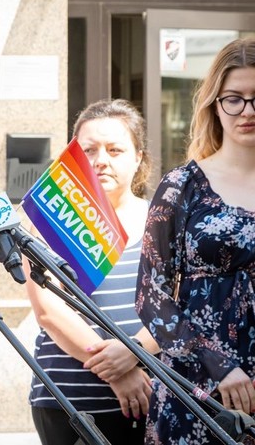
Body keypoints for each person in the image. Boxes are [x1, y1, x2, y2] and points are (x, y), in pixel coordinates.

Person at [136, 37, 255, 445]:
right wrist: (218, 365)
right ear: (214, 104)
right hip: (197, 384)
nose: (247, 111)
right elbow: (150, 295)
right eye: (234, 99)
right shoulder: (181, 186)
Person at [24, 99, 160, 445]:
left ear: (138, 157)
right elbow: (49, 312)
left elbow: (178, 306)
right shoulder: (51, 219)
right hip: (69, 403)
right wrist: (116, 373)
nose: (101, 160)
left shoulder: (162, 220)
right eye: (89, 150)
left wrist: (134, 352)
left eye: (115, 150)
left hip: (153, 398)